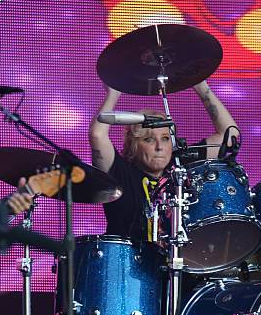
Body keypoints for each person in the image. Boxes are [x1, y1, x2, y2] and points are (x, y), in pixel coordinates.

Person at [89, 81, 239, 240]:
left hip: (176, 261)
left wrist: (200, 86)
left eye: (166, 138)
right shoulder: (120, 171)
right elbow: (97, 135)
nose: (159, 146)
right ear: (133, 146)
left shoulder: (179, 165)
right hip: (126, 262)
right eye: (148, 140)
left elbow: (230, 138)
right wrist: (113, 94)